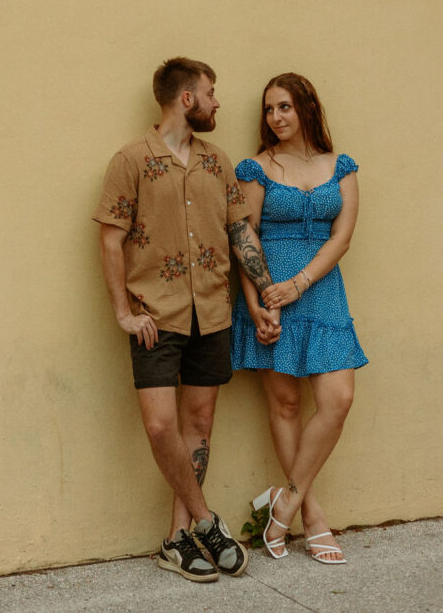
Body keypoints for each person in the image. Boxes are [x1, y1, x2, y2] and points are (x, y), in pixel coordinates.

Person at [93, 57, 280, 583]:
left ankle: (178, 540)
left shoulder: (218, 162)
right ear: (187, 99)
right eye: (212, 92)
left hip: (214, 314)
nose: (219, 102)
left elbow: (241, 234)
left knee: (198, 426)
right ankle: (205, 521)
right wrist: (123, 314)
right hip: (157, 315)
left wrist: (266, 295)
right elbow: (110, 237)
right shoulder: (131, 160)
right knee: (160, 426)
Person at [231, 72, 368, 565]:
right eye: (269, 109)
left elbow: (342, 237)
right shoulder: (255, 168)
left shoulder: (342, 166)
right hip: (270, 294)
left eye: (284, 106)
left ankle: (283, 500)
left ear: (307, 107)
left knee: (337, 400)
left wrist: (302, 282)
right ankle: (311, 515)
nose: (276, 117)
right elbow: (242, 236)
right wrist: (256, 302)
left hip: (322, 290)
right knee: (286, 404)